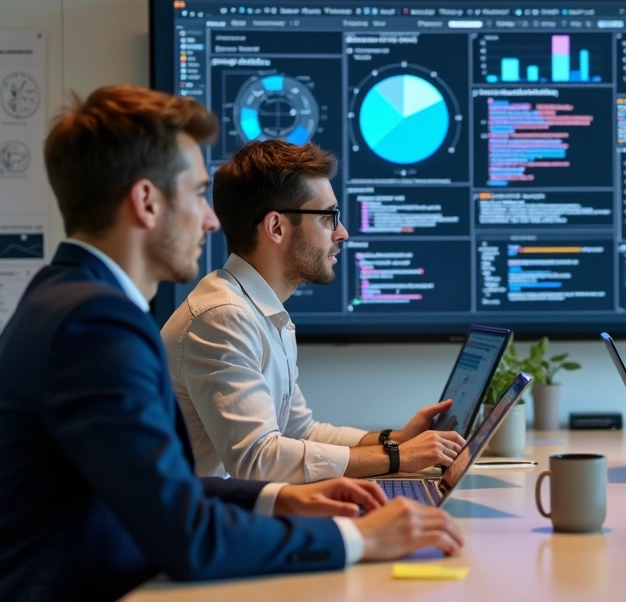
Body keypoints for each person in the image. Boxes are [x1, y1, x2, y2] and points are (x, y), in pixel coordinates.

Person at [0, 86, 462, 601]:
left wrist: (275, 499)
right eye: (197, 193)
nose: (212, 219)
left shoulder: (71, 301)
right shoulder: (95, 324)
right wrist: (355, 535)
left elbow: (162, 487)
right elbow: (187, 534)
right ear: (147, 202)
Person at [162, 139, 464, 483]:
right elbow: (257, 458)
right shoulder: (222, 317)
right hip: (203, 528)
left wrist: (395, 440)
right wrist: (396, 457)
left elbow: (300, 431)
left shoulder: (261, 312)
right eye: (327, 217)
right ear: (276, 227)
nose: (342, 233)